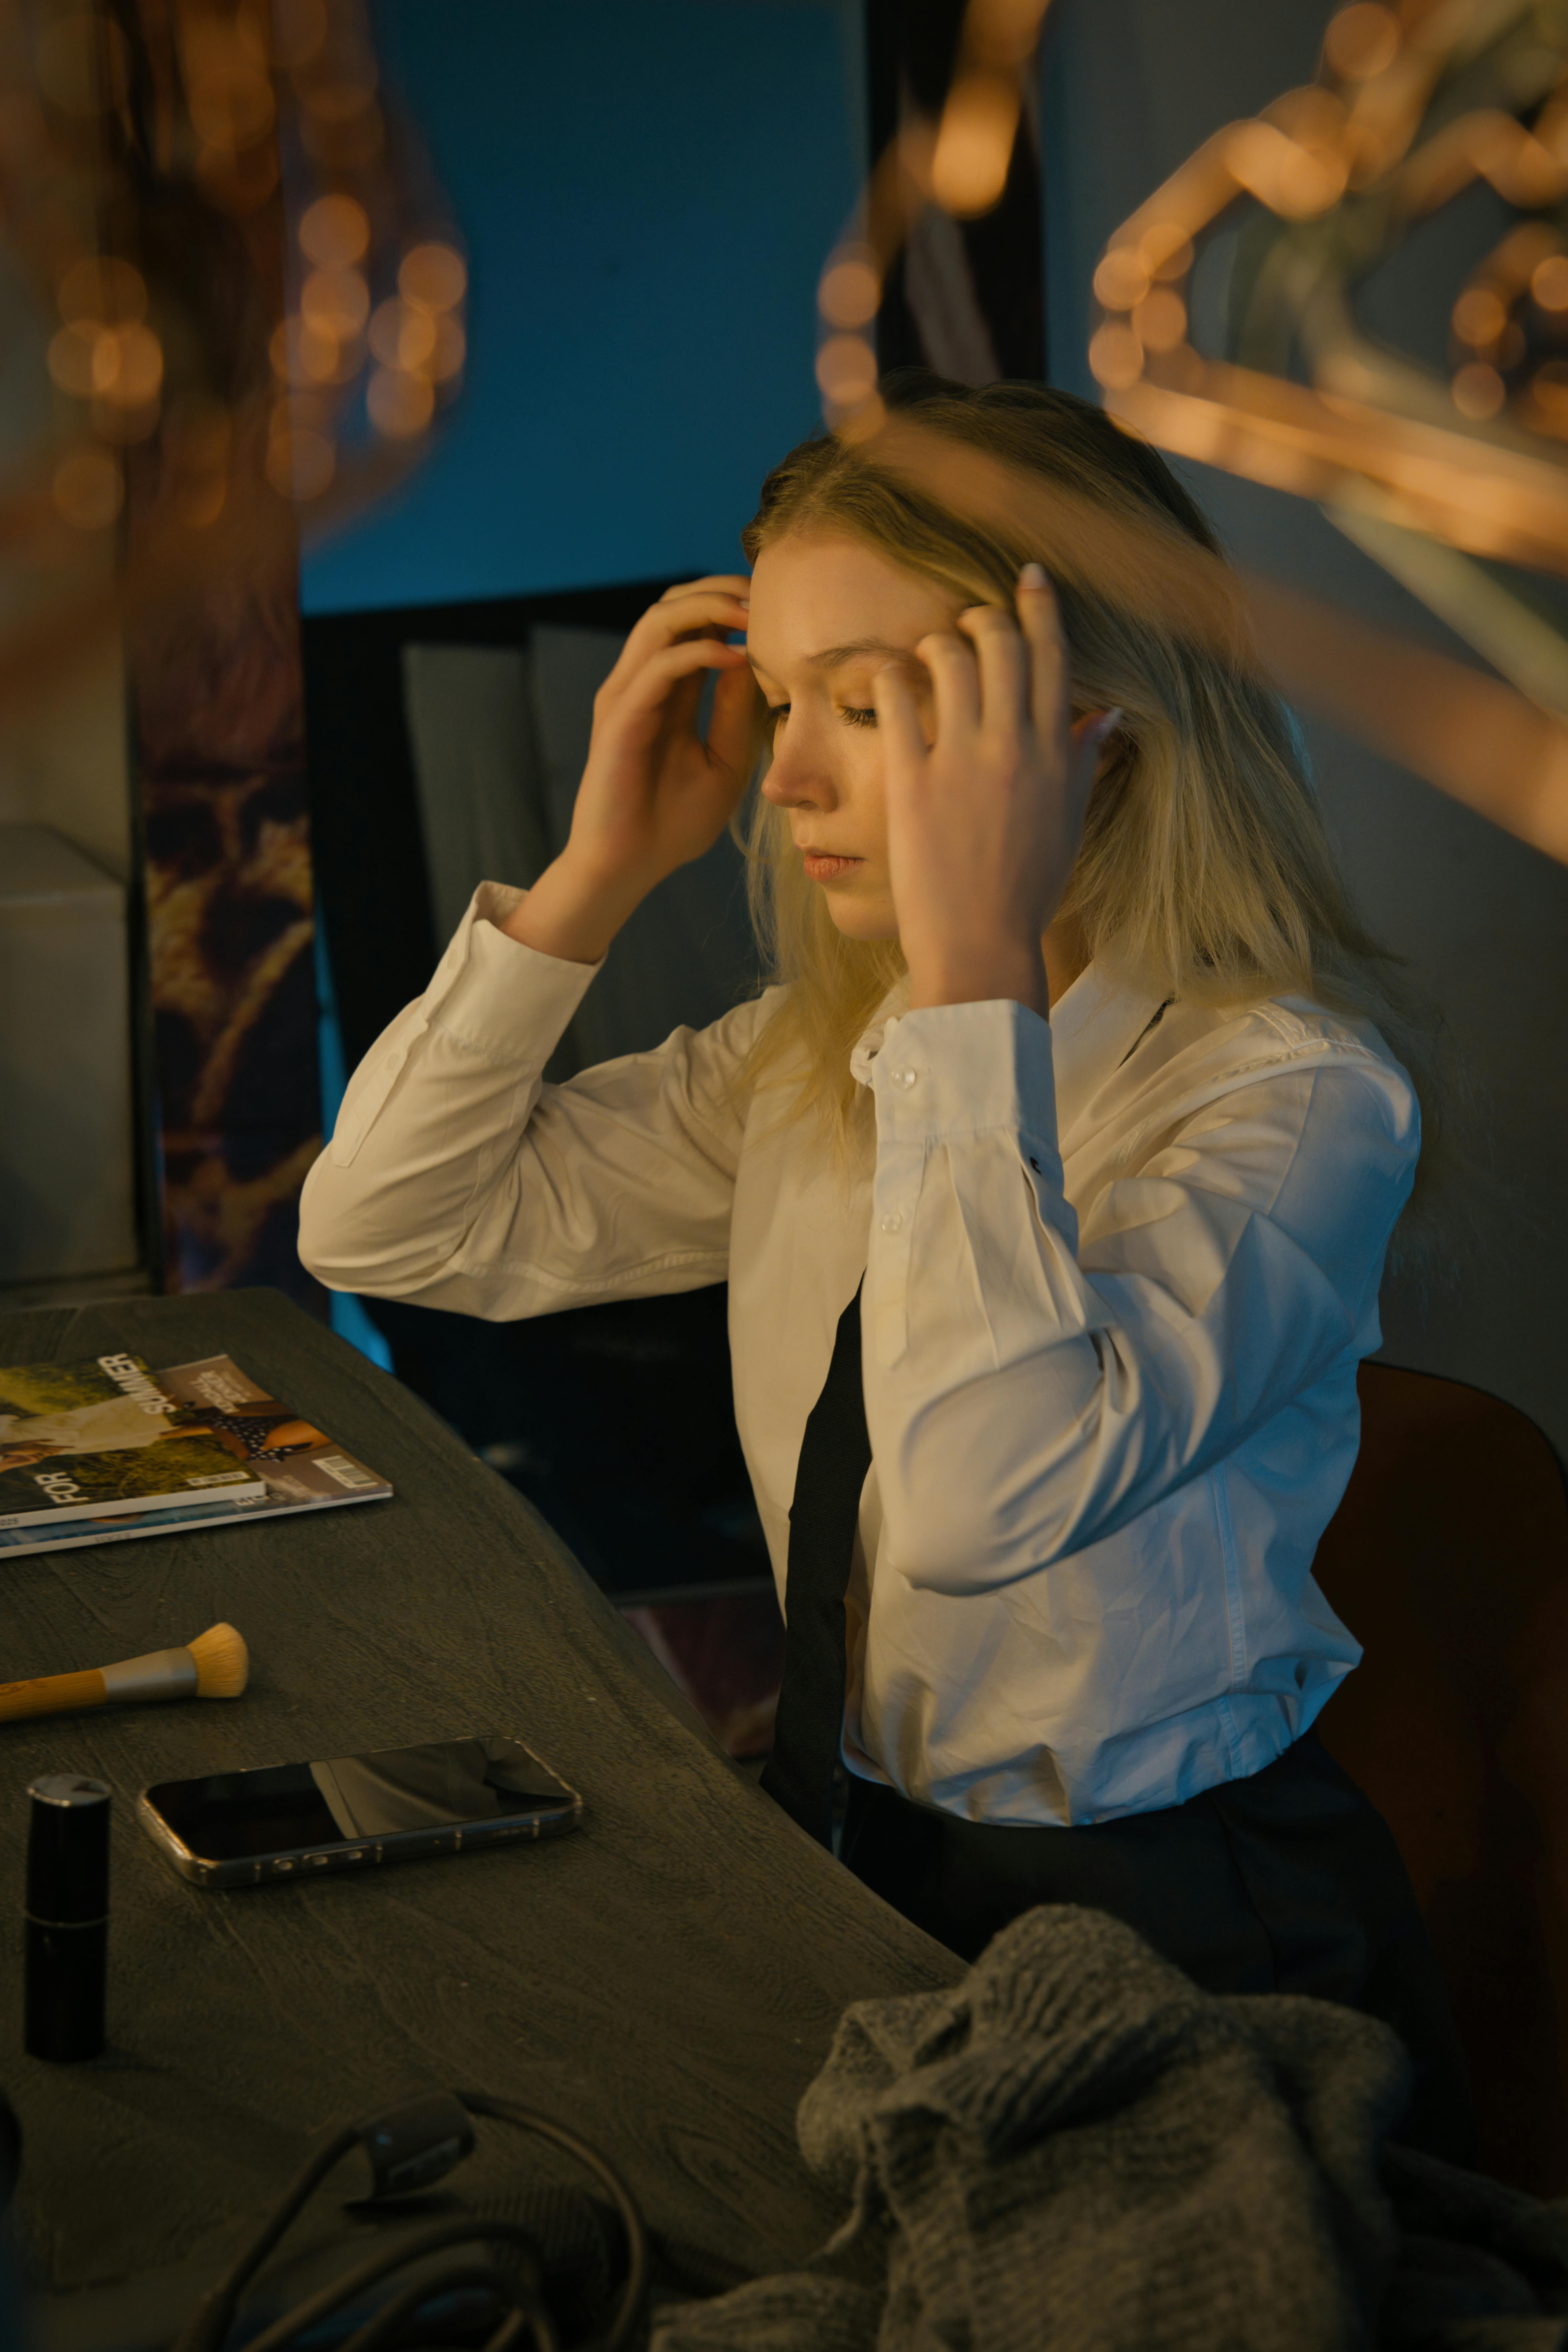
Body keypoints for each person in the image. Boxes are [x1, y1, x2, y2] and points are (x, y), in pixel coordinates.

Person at [298, 374, 1468, 2156]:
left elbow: (975, 1500)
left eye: (866, 703)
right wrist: (593, 873)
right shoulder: (819, 1062)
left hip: (1169, 1916)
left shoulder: (1292, 1105)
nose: (786, 776)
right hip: (843, 1829)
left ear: (1100, 718)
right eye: (779, 699)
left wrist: (977, 961)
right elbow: (385, 1225)